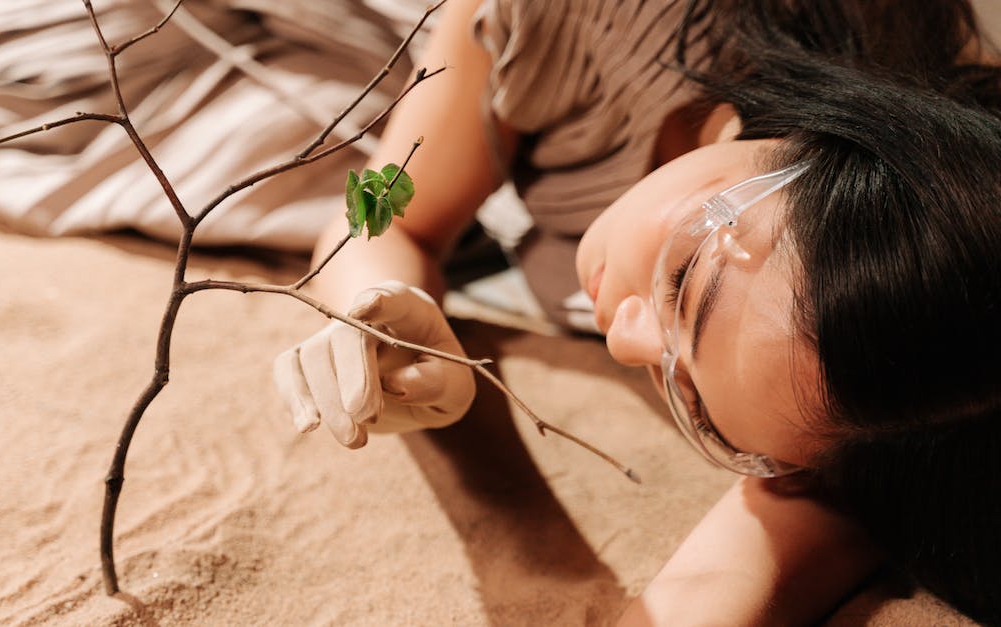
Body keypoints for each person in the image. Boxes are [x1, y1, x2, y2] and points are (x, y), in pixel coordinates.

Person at [272, 0, 1001, 623]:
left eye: (690, 397)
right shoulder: (570, 18)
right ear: (819, 133)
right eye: (685, 277)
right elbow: (387, 210)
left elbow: (794, 525)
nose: (624, 343)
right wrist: (369, 302)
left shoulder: (918, 375)